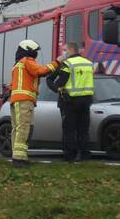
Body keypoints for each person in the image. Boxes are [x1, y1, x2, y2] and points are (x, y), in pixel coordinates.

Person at [9, 40, 60, 168]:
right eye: (34, 51)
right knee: (24, 128)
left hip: (16, 100)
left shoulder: (17, 64)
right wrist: (58, 62)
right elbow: (41, 71)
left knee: (18, 128)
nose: (35, 54)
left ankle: (18, 156)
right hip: (24, 101)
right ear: (28, 50)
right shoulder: (27, 61)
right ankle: (19, 159)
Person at [49, 42, 95, 163]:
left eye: (65, 50)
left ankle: (70, 156)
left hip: (70, 101)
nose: (64, 52)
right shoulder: (88, 63)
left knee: (69, 130)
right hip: (86, 101)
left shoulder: (67, 64)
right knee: (83, 130)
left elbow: (58, 82)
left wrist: (57, 88)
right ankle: (85, 154)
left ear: (70, 50)